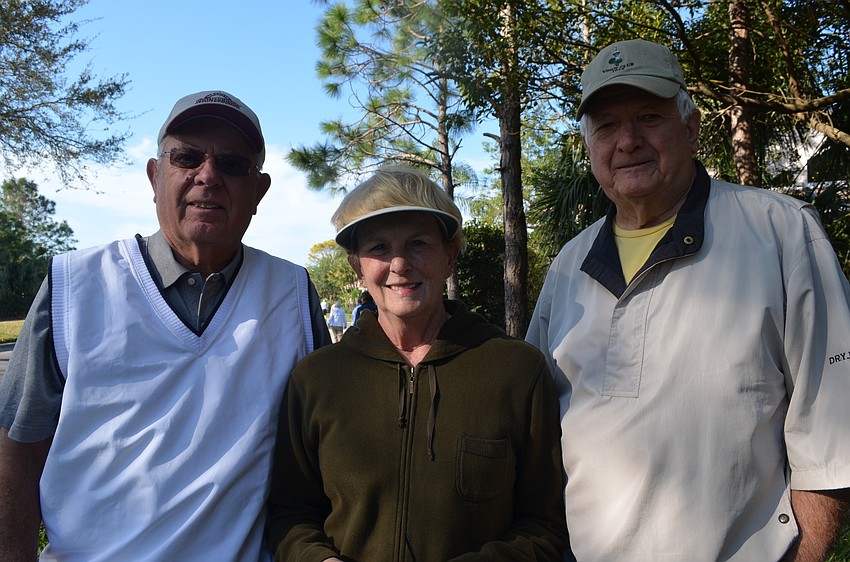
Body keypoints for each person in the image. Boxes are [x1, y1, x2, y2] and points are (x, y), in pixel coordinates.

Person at [526, 39, 850, 561]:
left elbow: (833, 431)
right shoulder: (570, 263)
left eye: (648, 117)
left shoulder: (781, 232)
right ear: (589, 145)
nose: (627, 141)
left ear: (691, 126)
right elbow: (536, 431)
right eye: (606, 125)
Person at [0, 90, 330, 561]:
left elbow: (322, 451)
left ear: (259, 192)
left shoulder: (292, 291)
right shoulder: (75, 286)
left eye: (234, 165)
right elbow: (18, 447)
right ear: (156, 176)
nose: (208, 176)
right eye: (187, 157)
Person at [266, 165, 568, 561]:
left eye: (418, 244)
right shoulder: (316, 379)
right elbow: (290, 515)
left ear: (450, 255)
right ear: (358, 267)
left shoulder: (515, 370)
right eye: (377, 248)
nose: (399, 264)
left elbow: (545, 525)